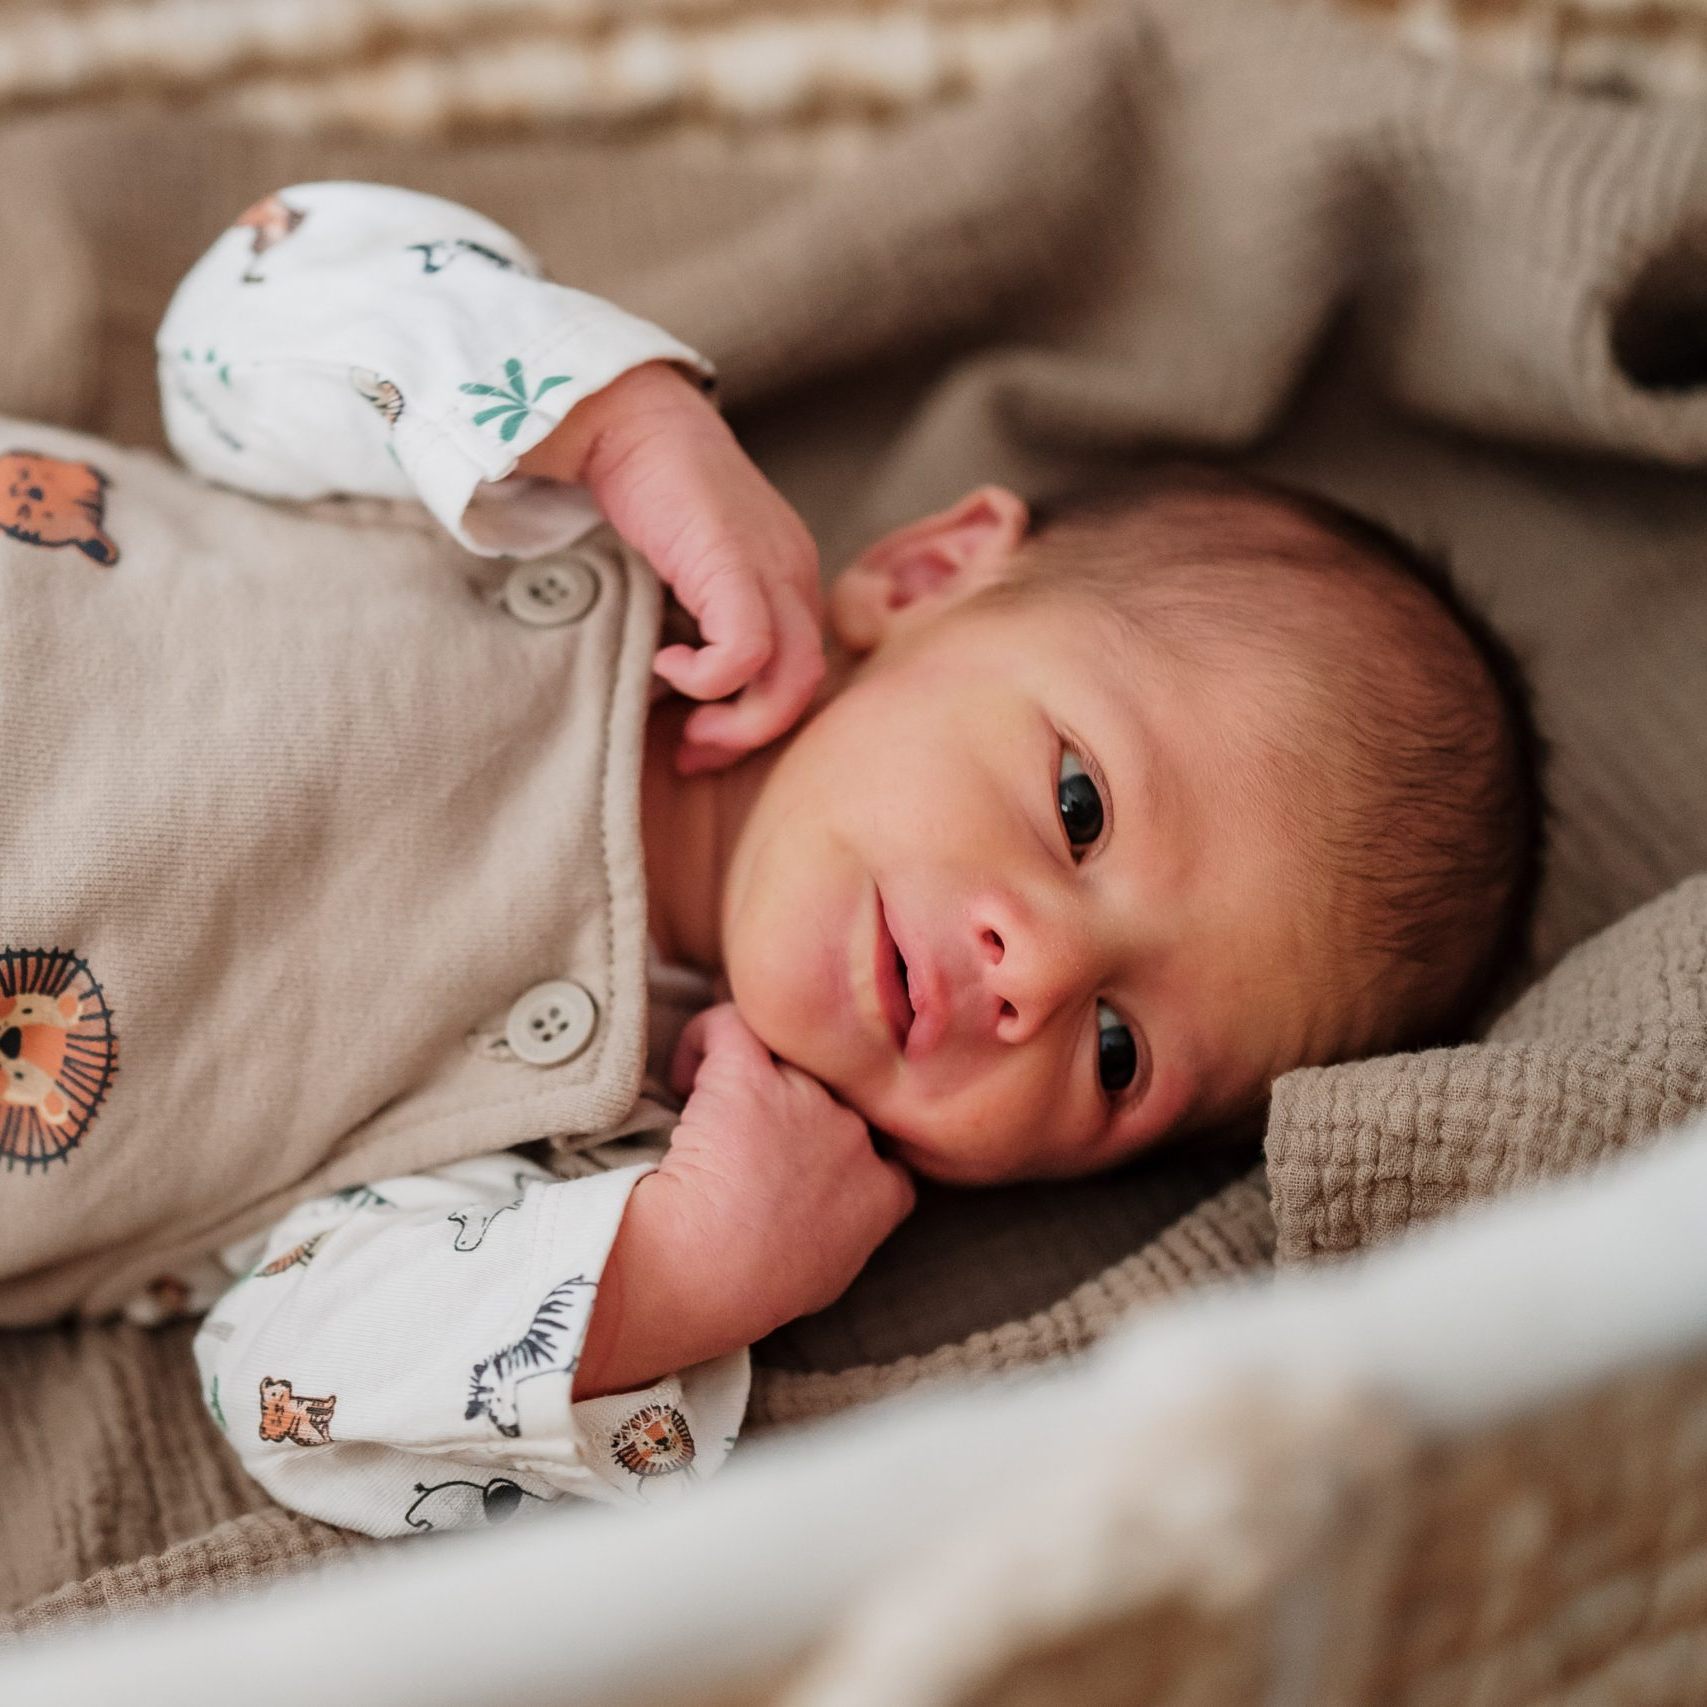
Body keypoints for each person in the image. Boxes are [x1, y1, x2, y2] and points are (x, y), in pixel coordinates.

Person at [0, 182, 1541, 1531]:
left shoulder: (584, 1161)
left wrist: (676, 1273)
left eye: (1121, 1052)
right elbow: (243, 311)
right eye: (1079, 810)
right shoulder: (562, 513)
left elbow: (285, 1388)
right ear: (930, 576)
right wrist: (617, 416)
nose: (1043, 974)